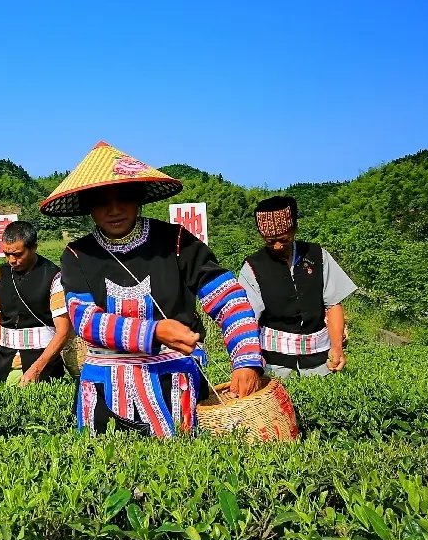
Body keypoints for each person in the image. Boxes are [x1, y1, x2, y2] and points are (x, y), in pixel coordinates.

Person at [40, 141, 264, 437]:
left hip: (174, 380)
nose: (114, 209)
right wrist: (155, 332)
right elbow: (85, 320)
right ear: (88, 206)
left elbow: (228, 298)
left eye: (125, 197)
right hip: (102, 389)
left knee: (182, 470)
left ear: (140, 198)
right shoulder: (77, 255)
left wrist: (246, 359)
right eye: (101, 201)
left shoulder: (176, 241)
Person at [239, 196, 358, 378]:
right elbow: (247, 320)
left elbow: (333, 304)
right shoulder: (253, 267)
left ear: (294, 229)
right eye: (270, 241)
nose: (277, 246)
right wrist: (249, 362)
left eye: (283, 239)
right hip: (273, 366)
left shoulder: (318, 256)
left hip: (320, 361)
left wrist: (337, 347)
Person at [0, 221, 71, 386]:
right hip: (3, 361)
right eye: (7, 254)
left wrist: (36, 369)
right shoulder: (0, 275)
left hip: (41, 363)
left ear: (34, 247)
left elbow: (63, 331)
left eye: (18, 254)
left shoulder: (54, 277)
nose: (12, 260)